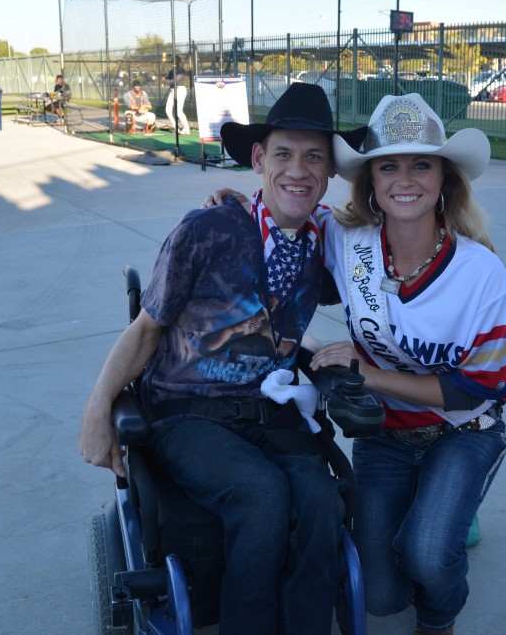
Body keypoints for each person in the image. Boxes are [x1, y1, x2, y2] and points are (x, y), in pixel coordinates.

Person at [79, 82, 366, 635]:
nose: (298, 170)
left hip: (269, 410)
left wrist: (360, 347)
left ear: (330, 170)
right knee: (261, 495)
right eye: (283, 154)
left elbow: (384, 272)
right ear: (258, 158)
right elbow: (145, 332)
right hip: (187, 414)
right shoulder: (206, 230)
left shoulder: (325, 249)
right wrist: (97, 410)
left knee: (321, 500)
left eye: (314, 157)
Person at [312, 94, 506, 635]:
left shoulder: (482, 272)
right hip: (383, 435)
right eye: (389, 165)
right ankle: (443, 512)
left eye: (421, 164)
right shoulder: (346, 242)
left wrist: (368, 372)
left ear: (445, 178)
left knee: (426, 557)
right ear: (371, 182)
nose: (406, 179)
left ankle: (441, 612)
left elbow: (477, 389)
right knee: (379, 598)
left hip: (463, 431)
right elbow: (280, 217)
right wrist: (231, 206)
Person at [164, 56, 191, 135]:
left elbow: (173, 81)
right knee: (168, 111)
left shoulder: (181, 71)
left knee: (179, 112)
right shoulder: (172, 70)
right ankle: (177, 128)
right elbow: (167, 75)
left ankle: (187, 129)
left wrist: (164, 80)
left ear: (178, 62)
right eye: (172, 61)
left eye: (174, 61)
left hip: (180, 90)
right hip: (173, 90)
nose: (173, 63)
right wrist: (163, 75)